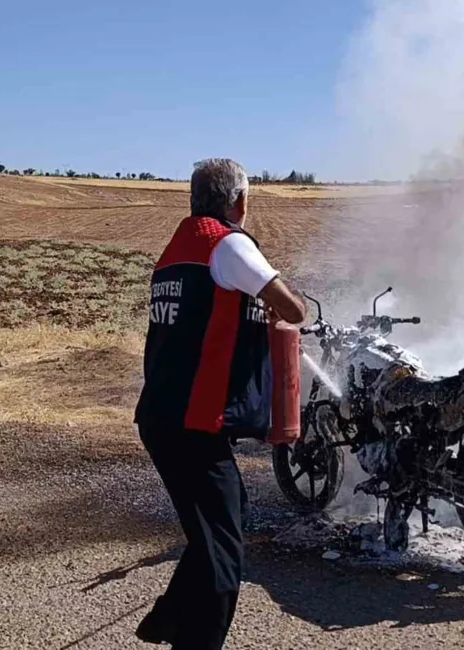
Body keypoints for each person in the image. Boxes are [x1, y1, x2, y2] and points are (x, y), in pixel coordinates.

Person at [133, 158, 305, 649]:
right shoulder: (227, 244)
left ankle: (166, 621)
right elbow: (294, 309)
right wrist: (279, 304)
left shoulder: (178, 247)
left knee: (216, 530)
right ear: (239, 201)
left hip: (165, 416)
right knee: (224, 562)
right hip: (192, 424)